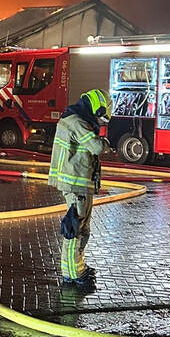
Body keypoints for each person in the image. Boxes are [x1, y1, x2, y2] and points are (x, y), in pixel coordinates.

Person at [48, 88, 111, 290]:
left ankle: (77, 267)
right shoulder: (78, 122)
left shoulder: (73, 119)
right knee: (75, 230)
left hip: (78, 183)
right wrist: (105, 141)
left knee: (81, 229)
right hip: (76, 184)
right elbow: (97, 147)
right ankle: (72, 274)